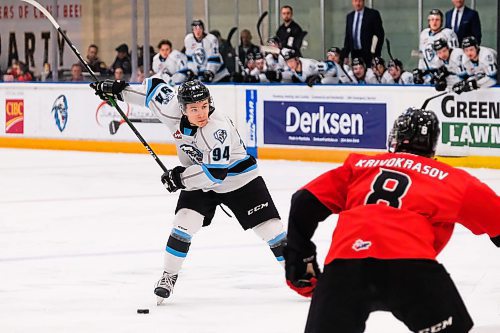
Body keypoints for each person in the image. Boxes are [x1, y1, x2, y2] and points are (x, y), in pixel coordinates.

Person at [284, 107, 500, 333]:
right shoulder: (451, 179)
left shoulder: (360, 167)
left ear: (394, 138)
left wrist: (299, 259)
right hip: (410, 267)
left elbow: (303, 201)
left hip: (345, 265)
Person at [90, 78, 287, 304]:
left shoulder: (217, 129)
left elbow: (215, 174)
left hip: (240, 180)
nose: (202, 113)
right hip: (198, 178)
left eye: (204, 106)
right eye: (194, 109)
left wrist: (179, 178)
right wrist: (117, 91)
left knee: (272, 231)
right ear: (182, 109)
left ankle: (301, 275)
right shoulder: (172, 109)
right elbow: (152, 89)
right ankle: (168, 276)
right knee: (183, 225)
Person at [418, 9, 459, 78]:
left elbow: (454, 55)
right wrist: (420, 70)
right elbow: (422, 55)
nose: (434, 22)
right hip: (428, 74)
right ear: (429, 21)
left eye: (437, 20)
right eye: (432, 19)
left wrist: (446, 70)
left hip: (445, 74)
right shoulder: (424, 34)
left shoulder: (448, 33)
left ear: (441, 21)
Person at [343, 0, 385, 65]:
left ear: (363, 1)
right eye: (355, 1)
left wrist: (376, 54)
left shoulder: (373, 14)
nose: (357, 3)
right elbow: (348, 37)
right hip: (355, 53)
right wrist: (346, 55)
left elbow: (380, 35)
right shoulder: (350, 16)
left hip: (369, 53)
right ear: (352, 2)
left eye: (360, 1)